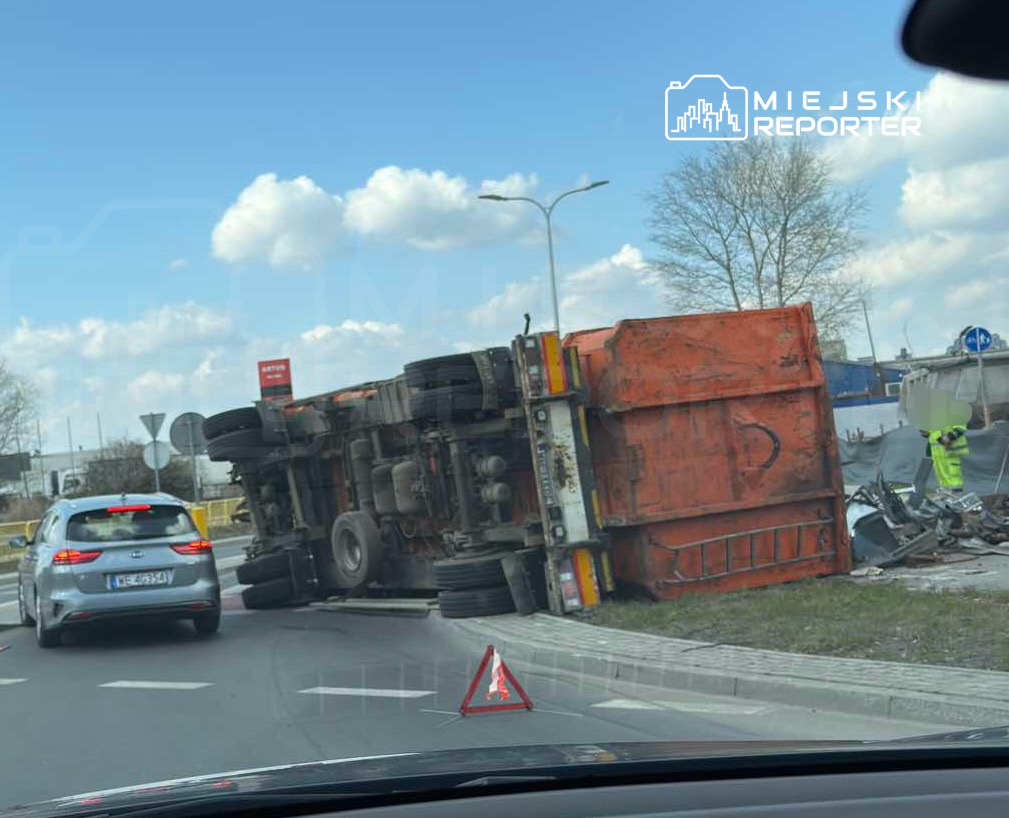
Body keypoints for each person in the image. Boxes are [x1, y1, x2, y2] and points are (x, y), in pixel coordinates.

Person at [926, 424, 969, 492]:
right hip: (937, 450)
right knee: (941, 473)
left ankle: (956, 493)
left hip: (950, 449)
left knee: (953, 474)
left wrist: (950, 437)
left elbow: (961, 426)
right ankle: (945, 493)